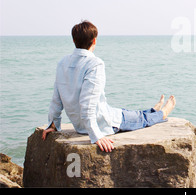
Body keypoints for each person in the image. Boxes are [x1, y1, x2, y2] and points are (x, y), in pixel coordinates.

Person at [42, 20, 176, 152]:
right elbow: (87, 105)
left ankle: (153, 110)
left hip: (83, 125)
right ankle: (162, 113)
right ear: (94, 41)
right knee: (141, 119)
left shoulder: (62, 63)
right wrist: (96, 136)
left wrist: (53, 124)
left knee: (134, 114)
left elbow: (56, 99)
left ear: (73, 41)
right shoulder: (94, 64)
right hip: (104, 124)